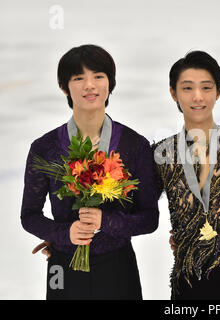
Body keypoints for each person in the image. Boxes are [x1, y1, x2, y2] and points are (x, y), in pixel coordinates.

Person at [22, 44, 159, 300]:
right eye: (78, 78)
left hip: (119, 268)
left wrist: (105, 222)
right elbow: (29, 216)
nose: (89, 85)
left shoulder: (133, 145)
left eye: (98, 76)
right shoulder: (45, 148)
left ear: (110, 83)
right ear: (64, 87)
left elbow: (150, 218)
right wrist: (64, 234)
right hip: (63, 268)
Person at [153, 51, 220, 300]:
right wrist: (65, 234)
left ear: (218, 91)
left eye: (206, 87)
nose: (197, 97)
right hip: (187, 284)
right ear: (173, 93)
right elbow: (139, 210)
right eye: (187, 88)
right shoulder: (162, 154)